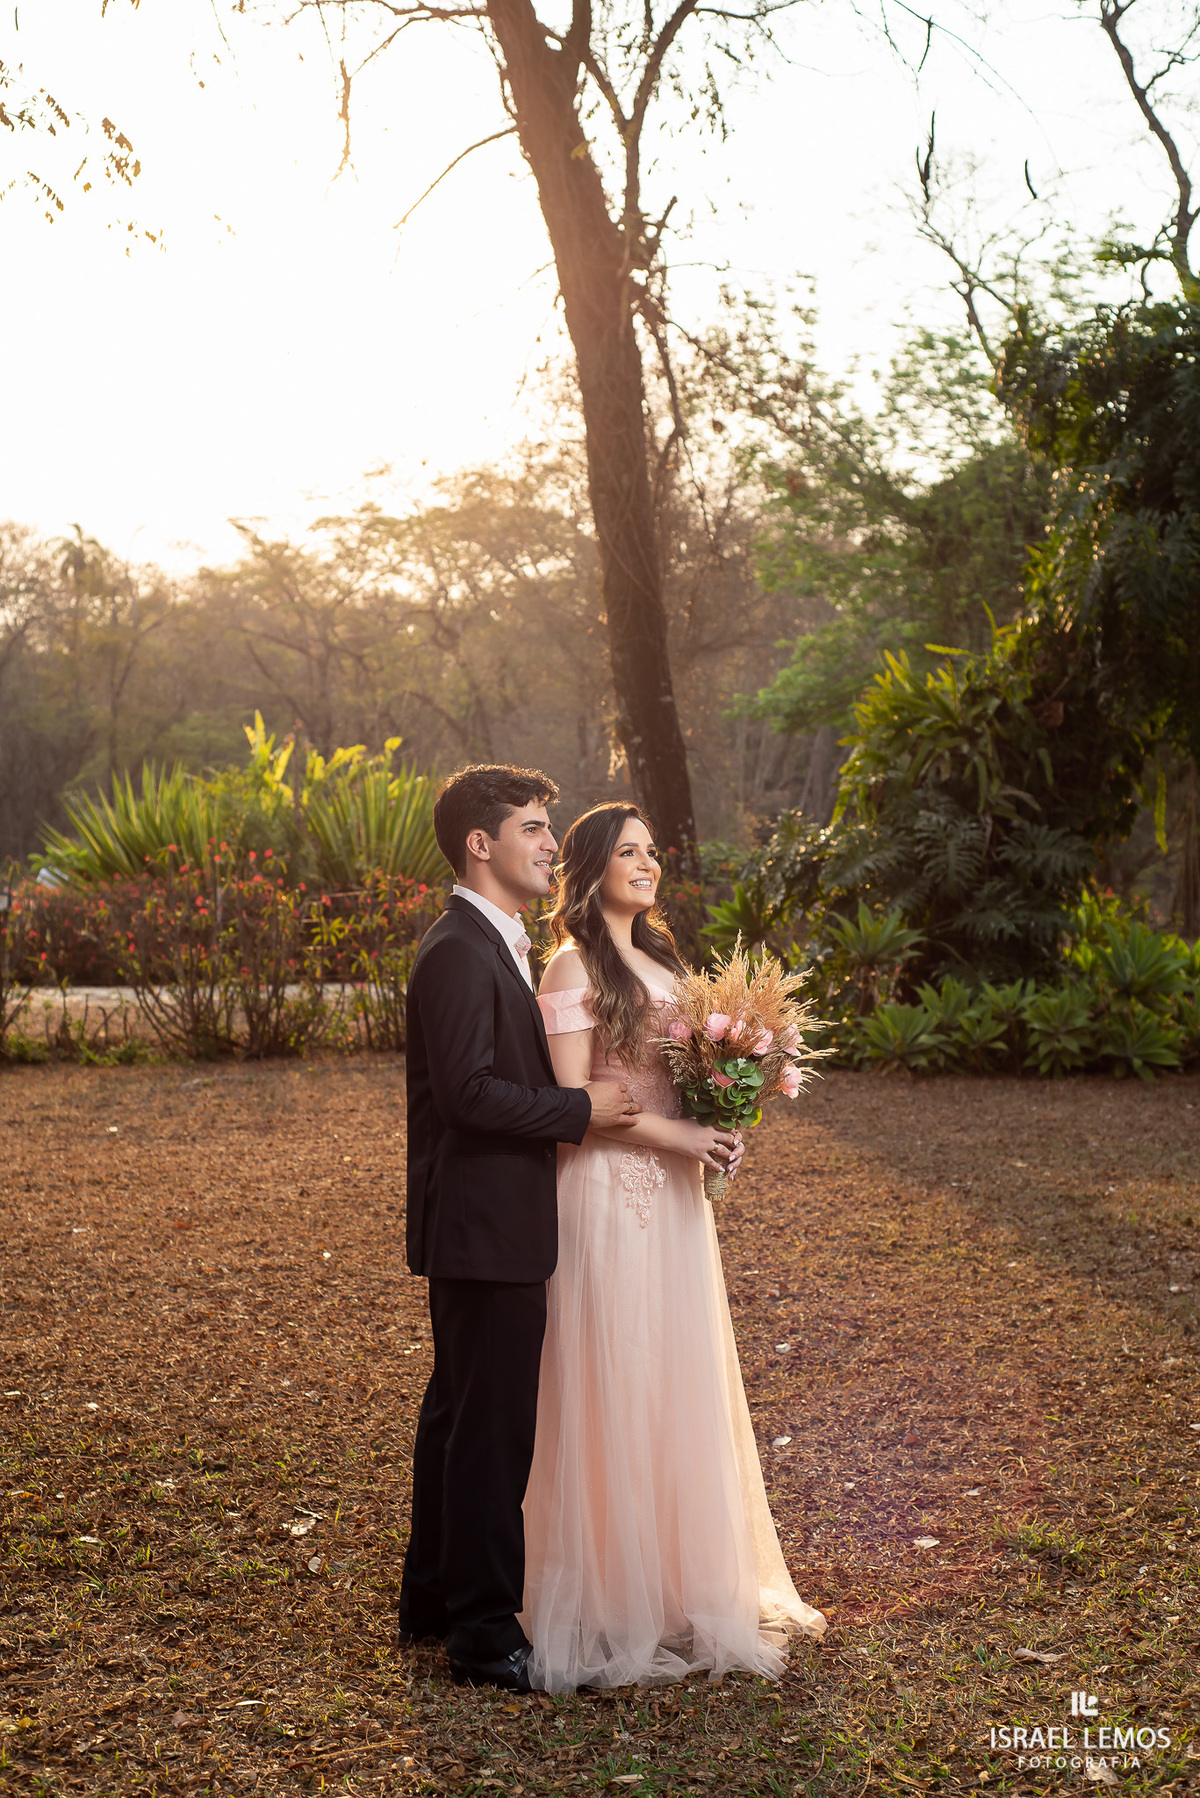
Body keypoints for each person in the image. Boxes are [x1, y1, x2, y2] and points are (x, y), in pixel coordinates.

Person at [522, 801, 826, 1690]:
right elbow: (575, 1103)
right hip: (608, 1197)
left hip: (680, 1202)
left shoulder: (662, 959)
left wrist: (725, 1113)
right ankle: (614, 1595)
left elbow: (683, 1073)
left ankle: (683, 1580)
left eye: (652, 851)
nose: (646, 864)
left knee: (674, 1373)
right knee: (612, 1372)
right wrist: (680, 1138)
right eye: (627, 851)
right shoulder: (572, 963)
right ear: (589, 865)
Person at [398, 766, 642, 1693]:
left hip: (483, 1222)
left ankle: (432, 1600)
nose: (550, 844)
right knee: (491, 1431)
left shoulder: (490, 942)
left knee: (457, 1418)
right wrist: (578, 1109)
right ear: (480, 844)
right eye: (534, 829)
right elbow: (466, 1097)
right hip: (484, 1222)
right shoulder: (460, 950)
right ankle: (484, 1635)